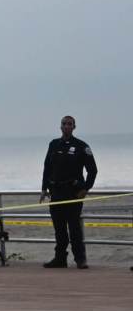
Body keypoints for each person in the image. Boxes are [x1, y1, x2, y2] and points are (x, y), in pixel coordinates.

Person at [40, 115, 98, 269]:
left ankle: (80, 259)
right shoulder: (53, 144)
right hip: (56, 192)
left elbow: (92, 170)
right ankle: (60, 259)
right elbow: (47, 167)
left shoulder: (81, 146)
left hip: (73, 193)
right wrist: (43, 188)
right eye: (64, 124)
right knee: (59, 228)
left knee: (74, 228)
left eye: (70, 124)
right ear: (60, 127)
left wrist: (86, 188)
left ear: (74, 127)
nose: (66, 126)